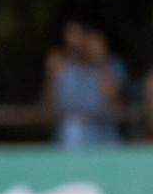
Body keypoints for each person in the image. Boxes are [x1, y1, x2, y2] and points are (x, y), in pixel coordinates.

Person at [44, 19, 125, 148]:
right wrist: (51, 76)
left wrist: (101, 62)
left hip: (105, 139)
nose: (73, 42)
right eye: (69, 36)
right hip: (70, 141)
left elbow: (114, 101)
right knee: (73, 130)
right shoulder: (61, 68)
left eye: (78, 35)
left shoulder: (112, 66)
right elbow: (47, 109)